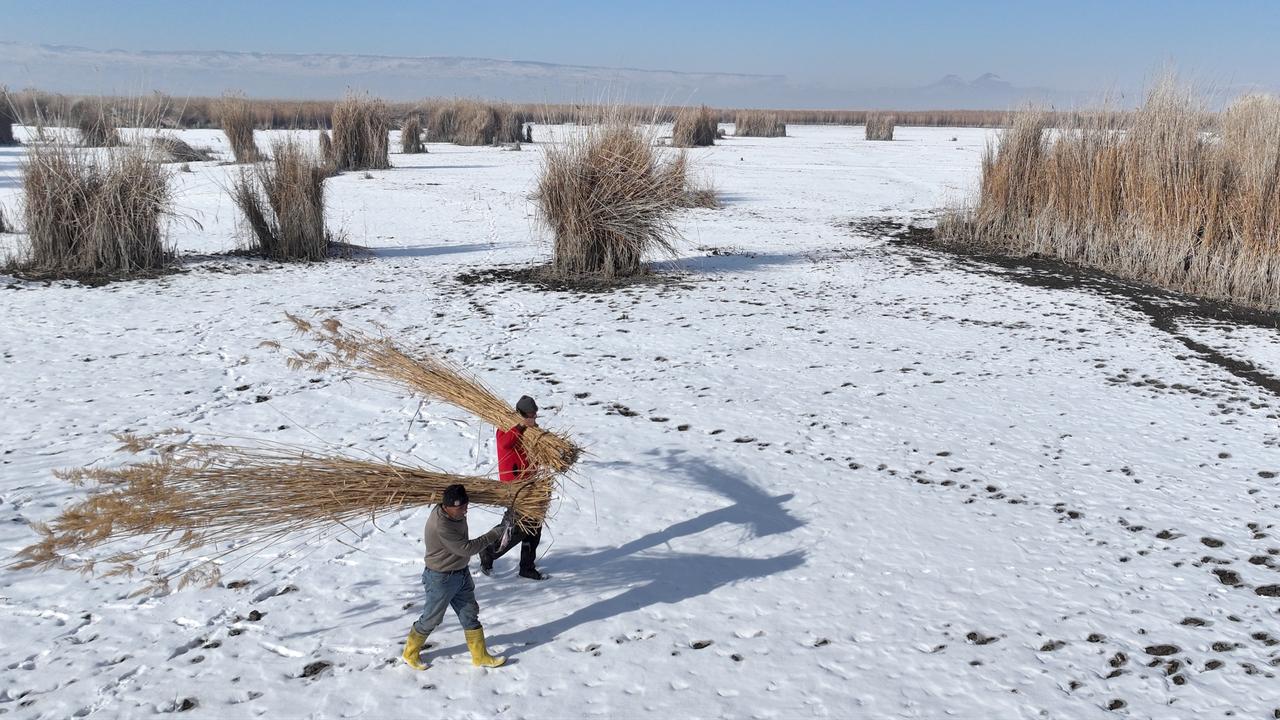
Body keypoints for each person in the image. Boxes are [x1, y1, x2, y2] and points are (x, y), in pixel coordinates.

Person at [401, 483, 509, 670]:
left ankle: (480, 656)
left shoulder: (452, 509)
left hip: (461, 573)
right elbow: (467, 548)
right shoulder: (442, 525)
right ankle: (409, 653)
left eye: (466, 506)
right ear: (447, 507)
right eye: (460, 508)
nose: (465, 511)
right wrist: (495, 533)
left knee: (470, 613)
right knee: (432, 618)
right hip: (440, 578)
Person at [480, 395, 547, 581]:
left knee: (534, 526)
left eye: (536, 414)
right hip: (515, 486)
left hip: (531, 485)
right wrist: (521, 426)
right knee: (515, 528)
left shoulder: (531, 428)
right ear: (522, 414)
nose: (535, 417)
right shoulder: (506, 426)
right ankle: (488, 551)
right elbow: (505, 443)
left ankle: (527, 567)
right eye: (531, 414)